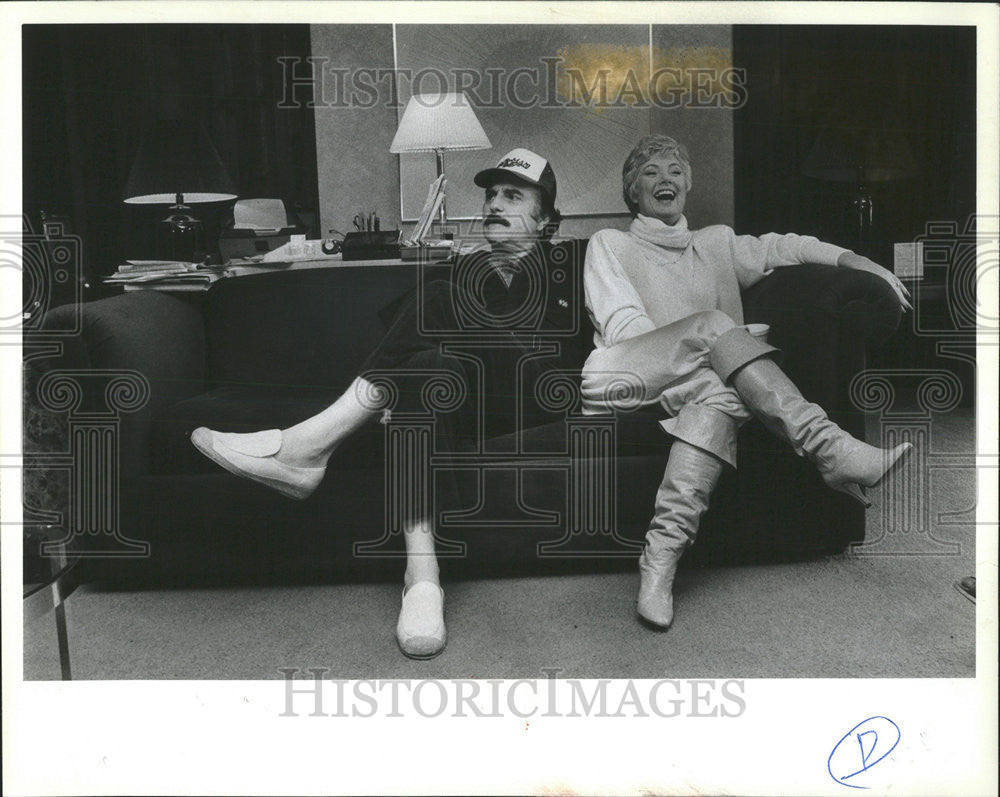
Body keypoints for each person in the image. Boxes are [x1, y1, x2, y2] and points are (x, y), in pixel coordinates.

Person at [191, 148, 591, 659]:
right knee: (427, 370)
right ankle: (422, 578)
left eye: (513, 196)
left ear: (548, 220)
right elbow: (413, 351)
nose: (494, 204)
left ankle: (307, 444)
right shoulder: (462, 268)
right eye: (490, 194)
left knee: (442, 300)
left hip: (538, 395)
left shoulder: (573, 262)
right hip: (469, 405)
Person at [581, 134, 913, 630]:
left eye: (675, 170)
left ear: (688, 184)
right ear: (633, 191)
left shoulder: (715, 244)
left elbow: (788, 247)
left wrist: (860, 263)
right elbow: (625, 329)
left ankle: (660, 563)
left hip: (698, 389)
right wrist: (716, 345)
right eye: (650, 173)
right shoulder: (611, 244)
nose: (665, 180)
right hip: (622, 376)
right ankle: (829, 448)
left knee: (719, 401)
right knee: (717, 330)